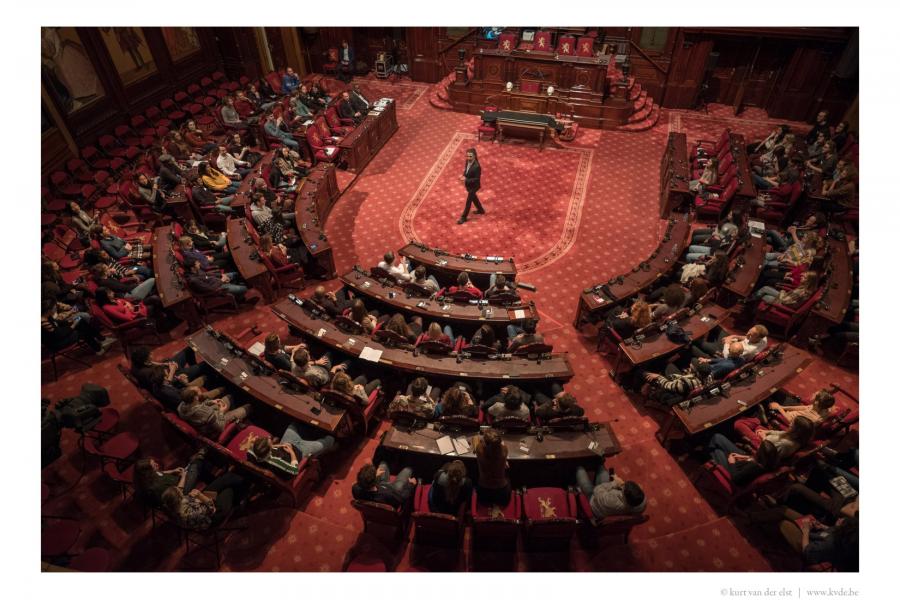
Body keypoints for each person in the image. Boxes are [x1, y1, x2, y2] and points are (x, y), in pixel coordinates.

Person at [161, 471, 249, 530]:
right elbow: (212, 509)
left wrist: (184, 476)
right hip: (214, 515)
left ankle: (242, 474)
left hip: (201, 503)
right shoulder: (190, 514)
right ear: (178, 499)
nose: (181, 491)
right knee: (229, 490)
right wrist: (200, 496)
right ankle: (247, 484)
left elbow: (180, 489)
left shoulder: (173, 505)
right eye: (180, 493)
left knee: (223, 480)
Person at [248, 423, 337, 475]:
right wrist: (291, 452)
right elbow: (294, 470)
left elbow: (268, 447)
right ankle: (330, 446)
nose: (269, 437)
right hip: (300, 453)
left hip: (285, 445)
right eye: (269, 440)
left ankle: (309, 435)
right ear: (269, 450)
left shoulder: (252, 451)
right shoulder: (278, 463)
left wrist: (280, 446)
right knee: (330, 440)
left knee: (293, 425)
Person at [575, 459, 646, 520]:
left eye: (624, 487)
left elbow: (596, 491)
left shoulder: (611, 500)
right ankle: (599, 461)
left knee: (580, 470)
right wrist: (620, 485)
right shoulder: (640, 503)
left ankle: (578, 465)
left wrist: (614, 483)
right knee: (603, 470)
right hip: (608, 505)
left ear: (624, 495)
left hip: (594, 503)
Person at [41, 298, 114, 356]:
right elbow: (58, 335)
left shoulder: (48, 316)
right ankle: (98, 349)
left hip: (60, 334)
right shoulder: (44, 322)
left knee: (80, 321)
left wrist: (70, 321)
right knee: (82, 331)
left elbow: (58, 323)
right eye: (54, 307)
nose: (55, 309)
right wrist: (72, 326)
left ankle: (102, 340)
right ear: (48, 310)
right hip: (58, 343)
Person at [134, 450, 207, 507]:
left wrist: (173, 471)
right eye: (154, 465)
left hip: (177, 484)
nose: (157, 464)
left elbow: (160, 473)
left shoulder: (147, 477)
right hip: (181, 495)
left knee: (194, 464)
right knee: (196, 465)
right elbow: (177, 492)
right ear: (148, 471)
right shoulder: (157, 486)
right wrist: (183, 476)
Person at [733, 414, 816, 461]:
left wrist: (763, 437)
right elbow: (779, 433)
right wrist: (767, 432)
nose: (790, 424)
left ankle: (756, 420)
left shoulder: (786, 444)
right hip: (768, 437)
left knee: (738, 424)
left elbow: (769, 452)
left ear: (797, 431)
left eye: (792, 424)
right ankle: (758, 420)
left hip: (761, 444)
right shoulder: (794, 436)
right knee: (757, 425)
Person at [707, 434, 779, 487]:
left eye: (759, 449)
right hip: (744, 463)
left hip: (732, 471)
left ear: (760, 454)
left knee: (717, 450)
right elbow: (755, 460)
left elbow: (736, 478)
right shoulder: (769, 462)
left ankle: (704, 453)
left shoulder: (754, 468)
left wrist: (732, 462)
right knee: (717, 437)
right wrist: (744, 457)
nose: (757, 448)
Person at [177, 385, 251, 437]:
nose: (199, 388)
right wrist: (222, 412)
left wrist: (211, 402)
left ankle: (234, 414)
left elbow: (198, 406)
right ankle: (235, 423)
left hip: (206, 419)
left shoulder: (182, 405)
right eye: (199, 390)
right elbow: (220, 427)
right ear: (196, 398)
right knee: (248, 407)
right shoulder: (205, 412)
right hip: (214, 428)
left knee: (229, 397)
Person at [352, 462, 417, 508]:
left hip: (381, 486)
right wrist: (411, 485)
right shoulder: (387, 494)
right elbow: (402, 498)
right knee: (408, 470)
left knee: (383, 464)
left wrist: (375, 476)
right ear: (375, 481)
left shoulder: (355, 488)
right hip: (393, 489)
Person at [472, 429, 511, 505]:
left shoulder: (479, 450)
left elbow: (476, 439)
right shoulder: (504, 450)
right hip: (503, 494)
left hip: (483, 492)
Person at [185, 258, 249, 301]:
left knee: (235, 273)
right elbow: (210, 289)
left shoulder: (196, 270)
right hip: (218, 289)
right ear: (192, 268)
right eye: (197, 263)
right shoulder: (194, 280)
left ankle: (235, 288)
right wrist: (222, 281)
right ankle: (239, 300)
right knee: (244, 288)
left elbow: (207, 274)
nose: (199, 263)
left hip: (217, 280)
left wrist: (221, 275)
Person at [768, 389, 837, 427]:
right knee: (777, 391)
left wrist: (779, 408)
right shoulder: (824, 407)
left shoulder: (811, 419)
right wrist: (782, 407)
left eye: (814, 394)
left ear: (816, 402)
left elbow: (790, 421)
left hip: (786, 417)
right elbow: (804, 408)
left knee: (767, 399)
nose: (813, 394)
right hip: (791, 411)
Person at [695, 324, 769, 359]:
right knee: (714, 326)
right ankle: (711, 343)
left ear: (758, 338)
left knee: (698, 341)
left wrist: (727, 343)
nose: (747, 334)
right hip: (732, 343)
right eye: (749, 331)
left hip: (725, 353)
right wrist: (734, 336)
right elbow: (745, 338)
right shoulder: (763, 338)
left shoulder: (749, 350)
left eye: (751, 335)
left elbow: (727, 356)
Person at [753, 270, 819, 307]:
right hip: (785, 297)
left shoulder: (801, 292)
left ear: (809, 281)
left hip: (781, 304)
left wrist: (782, 292)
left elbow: (784, 301)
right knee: (765, 288)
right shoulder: (805, 288)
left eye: (804, 277)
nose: (801, 276)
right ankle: (752, 298)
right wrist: (783, 292)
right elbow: (789, 297)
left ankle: (750, 302)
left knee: (764, 296)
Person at [457, 148, 485, 224]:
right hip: (469, 185)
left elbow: (476, 179)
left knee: (468, 202)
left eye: (470, 156)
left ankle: (463, 217)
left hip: (474, 186)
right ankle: (481, 210)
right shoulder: (467, 161)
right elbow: (466, 170)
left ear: (475, 156)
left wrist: (466, 180)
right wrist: (463, 176)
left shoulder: (477, 167)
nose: (468, 158)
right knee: (474, 198)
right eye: (467, 156)